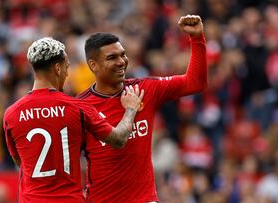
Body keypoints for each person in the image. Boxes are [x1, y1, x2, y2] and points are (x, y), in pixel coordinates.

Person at [78, 14, 207, 202]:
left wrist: (197, 38)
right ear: (93, 65)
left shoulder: (145, 88)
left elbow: (196, 82)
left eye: (123, 54)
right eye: (112, 57)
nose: (121, 61)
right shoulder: (80, 107)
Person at [2, 37, 144, 202]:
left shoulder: (11, 114)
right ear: (57, 68)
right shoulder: (77, 107)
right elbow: (119, 139)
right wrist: (131, 109)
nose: (67, 73)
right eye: (67, 67)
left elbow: (20, 161)